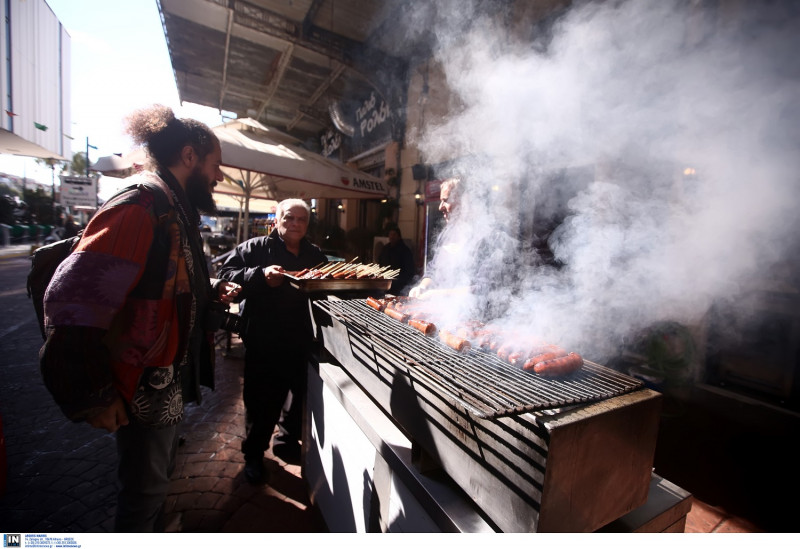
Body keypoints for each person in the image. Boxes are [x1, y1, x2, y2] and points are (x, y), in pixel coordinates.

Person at [39, 104, 241, 532]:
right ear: (189, 156)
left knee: (155, 482)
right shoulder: (142, 202)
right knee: (142, 493)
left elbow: (163, 277)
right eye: (215, 164)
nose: (220, 176)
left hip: (163, 382)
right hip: (141, 386)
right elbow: (74, 301)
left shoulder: (172, 204)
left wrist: (209, 289)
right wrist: (93, 393)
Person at [217, 199, 327, 484]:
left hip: (301, 337)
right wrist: (260, 276)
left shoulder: (314, 254)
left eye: (301, 219)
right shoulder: (255, 248)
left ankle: (286, 442)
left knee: (298, 397)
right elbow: (225, 277)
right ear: (277, 220)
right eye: (289, 218)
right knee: (261, 401)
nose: (295, 224)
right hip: (263, 338)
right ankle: (254, 454)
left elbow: (325, 289)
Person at [377, 225, 415, 295]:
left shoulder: (405, 250)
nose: (392, 237)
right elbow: (380, 263)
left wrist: (401, 281)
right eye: (390, 234)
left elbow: (409, 270)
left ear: (399, 236)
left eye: (394, 235)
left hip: (399, 285)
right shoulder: (385, 249)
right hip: (385, 283)